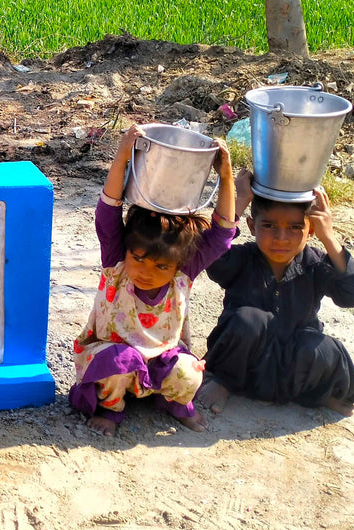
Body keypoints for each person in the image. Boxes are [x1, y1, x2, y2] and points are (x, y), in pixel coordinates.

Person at [69, 125, 237, 436]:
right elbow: (108, 211)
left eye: (160, 266)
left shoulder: (184, 273)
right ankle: (111, 408)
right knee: (121, 360)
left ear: (177, 266)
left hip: (161, 359)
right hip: (112, 357)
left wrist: (226, 176)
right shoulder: (116, 262)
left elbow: (223, 233)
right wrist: (123, 155)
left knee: (189, 373)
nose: (146, 271)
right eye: (140, 259)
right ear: (127, 251)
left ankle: (172, 403)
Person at [197, 171, 354, 416]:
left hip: (293, 373)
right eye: (269, 225)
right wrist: (239, 202)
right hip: (243, 367)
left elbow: (353, 294)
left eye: (295, 227)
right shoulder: (242, 259)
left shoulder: (315, 264)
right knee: (247, 320)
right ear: (252, 226)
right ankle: (222, 382)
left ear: (311, 230)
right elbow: (211, 257)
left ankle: (320, 394)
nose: (281, 238)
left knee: (324, 346)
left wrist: (329, 237)